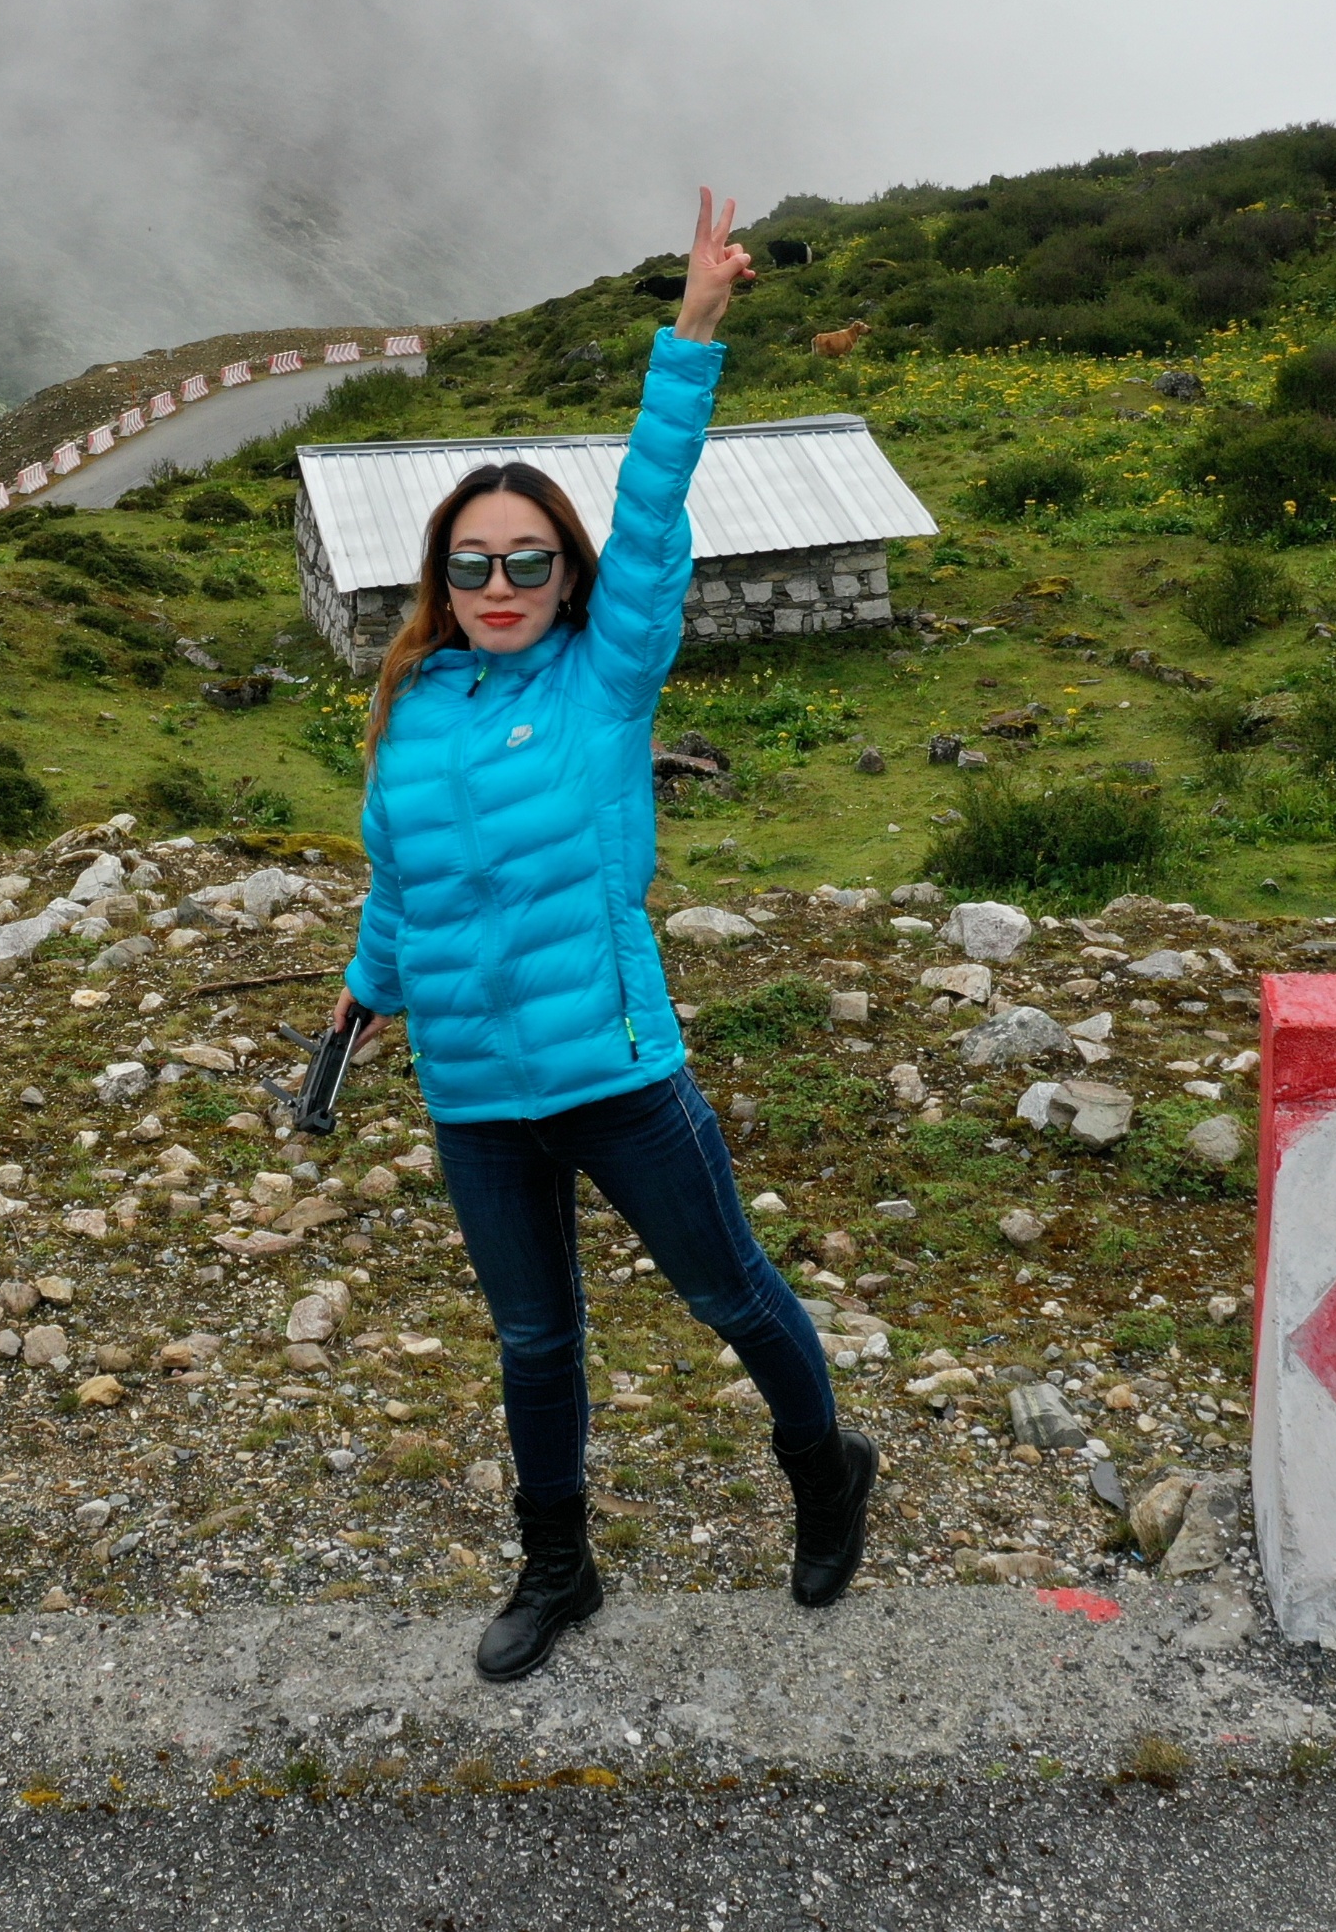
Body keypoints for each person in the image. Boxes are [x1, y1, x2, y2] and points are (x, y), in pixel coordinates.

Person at [333, 188, 877, 1683]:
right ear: (438, 580)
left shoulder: (606, 676)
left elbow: (649, 510)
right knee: (533, 1347)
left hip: (619, 1069)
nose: (497, 586)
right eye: (470, 564)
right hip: (471, 1088)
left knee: (726, 1294)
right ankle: (556, 1567)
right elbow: (401, 881)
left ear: (565, 576)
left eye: (525, 561)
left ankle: (826, 1468)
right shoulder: (411, 711)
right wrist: (360, 1002)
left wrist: (692, 330)